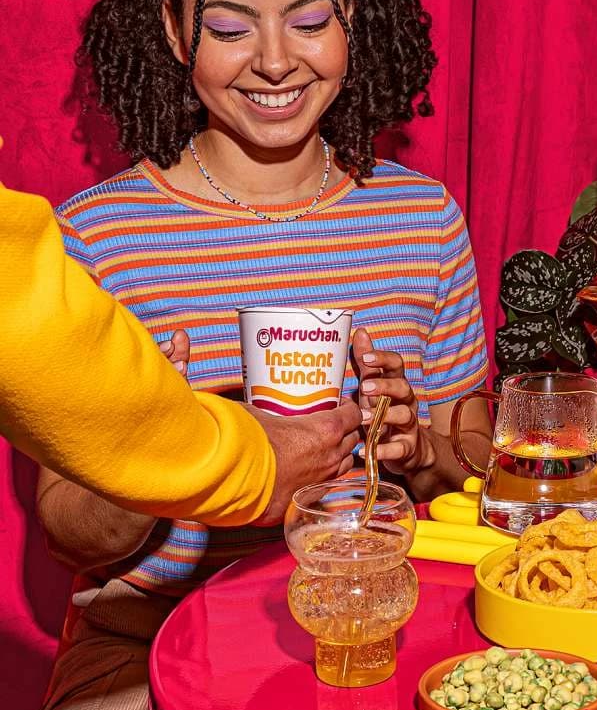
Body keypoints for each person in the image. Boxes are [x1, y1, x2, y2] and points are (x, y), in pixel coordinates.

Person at [0, 0, 491, 710]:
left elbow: (480, 448)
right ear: (176, 35)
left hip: (378, 647)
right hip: (147, 655)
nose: (273, 60)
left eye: (307, 19)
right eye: (229, 27)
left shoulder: (421, 219)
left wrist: (421, 442)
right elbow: (74, 528)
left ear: (353, 21)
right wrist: (169, 433)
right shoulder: (97, 237)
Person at [0, 174, 359, 521]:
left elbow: (416, 483)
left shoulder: (413, 216)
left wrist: (406, 448)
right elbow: (72, 533)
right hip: (176, 582)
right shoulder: (95, 230)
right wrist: (159, 438)